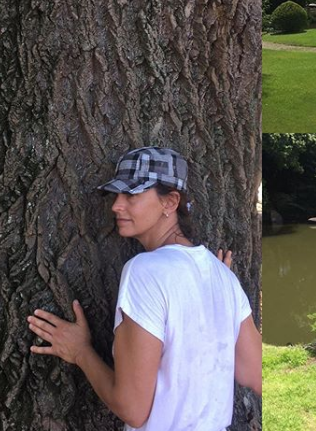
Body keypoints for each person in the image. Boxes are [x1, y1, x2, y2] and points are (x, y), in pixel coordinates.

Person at [27, 146, 262, 431]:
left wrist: (80, 352)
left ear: (170, 202)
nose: (116, 205)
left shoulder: (145, 270)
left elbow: (133, 409)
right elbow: (253, 372)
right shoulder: (221, 276)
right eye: (116, 195)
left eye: (132, 194)